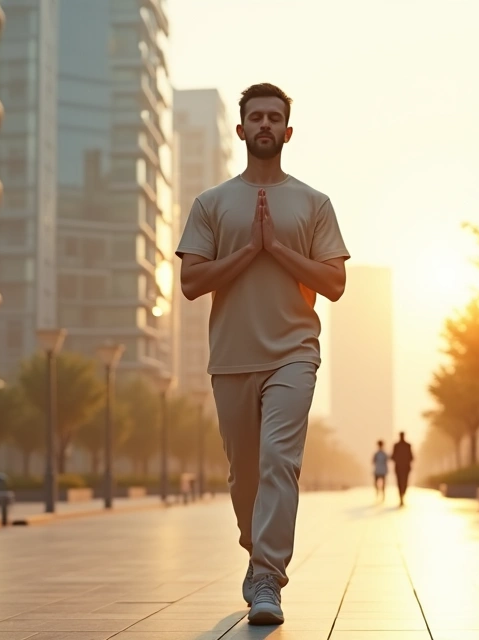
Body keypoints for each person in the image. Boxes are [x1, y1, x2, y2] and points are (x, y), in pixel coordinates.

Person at [175, 83, 349, 626]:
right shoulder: (211, 203)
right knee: (243, 475)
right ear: (242, 129)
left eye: (276, 117)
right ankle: (256, 553)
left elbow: (336, 282)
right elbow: (190, 281)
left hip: (294, 352)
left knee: (280, 460)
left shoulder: (314, 203)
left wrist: (278, 248)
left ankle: (268, 576)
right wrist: (249, 249)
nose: (266, 124)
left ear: (288, 131)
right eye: (257, 117)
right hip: (231, 357)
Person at [391, 432, 414, 507]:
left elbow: (393, 457)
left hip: (400, 467)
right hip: (404, 467)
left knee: (401, 482)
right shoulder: (406, 445)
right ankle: (402, 496)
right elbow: (411, 457)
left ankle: (401, 496)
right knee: (404, 482)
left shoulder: (398, 446)